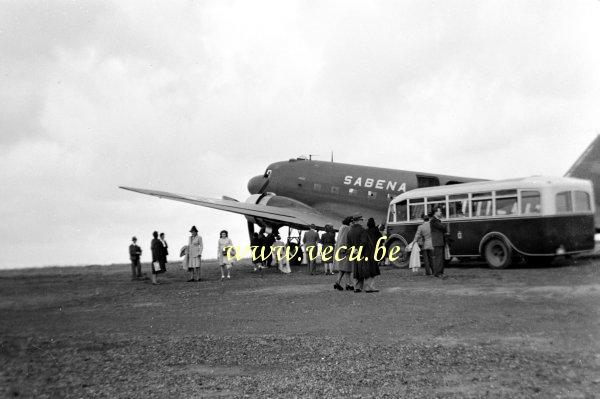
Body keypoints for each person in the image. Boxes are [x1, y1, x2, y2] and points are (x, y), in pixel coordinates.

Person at [346, 215, 367, 293]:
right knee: (361, 269)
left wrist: (353, 249)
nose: (362, 221)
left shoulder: (350, 231)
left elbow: (348, 243)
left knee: (355, 269)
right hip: (361, 252)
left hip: (353, 252)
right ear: (359, 221)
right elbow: (364, 242)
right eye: (362, 220)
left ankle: (355, 286)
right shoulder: (362, 230)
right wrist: (359, 249)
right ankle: (359, 287)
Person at [333, 217, 353, 291]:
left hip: (340, 250)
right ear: (349, 222)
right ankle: (347, 284)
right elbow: (344, 239)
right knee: (346, 268)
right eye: (352, 222)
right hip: (344, 251)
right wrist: (344, 249)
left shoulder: (342, 228)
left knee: (344, 268)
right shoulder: (347, 228)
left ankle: (347, 284)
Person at [363, 217, 381, 292]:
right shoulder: (376, 231)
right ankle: (371, 286)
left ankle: (367, 286)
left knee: (368, 269)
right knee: (374, 270)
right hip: (374, 252)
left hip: (367, 252)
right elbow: (381, 240)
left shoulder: (366, 231)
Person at [430, 207, 447, 278]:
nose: (441, 212)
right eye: (439, 211)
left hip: (439, 241)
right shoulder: (434, 220)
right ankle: (437, 273)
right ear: (435, 212)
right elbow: (443, 227)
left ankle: (440, 272)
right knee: (438, 258)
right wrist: (445, 225)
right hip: (437, 241)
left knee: (440, 257)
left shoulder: (436, 220)